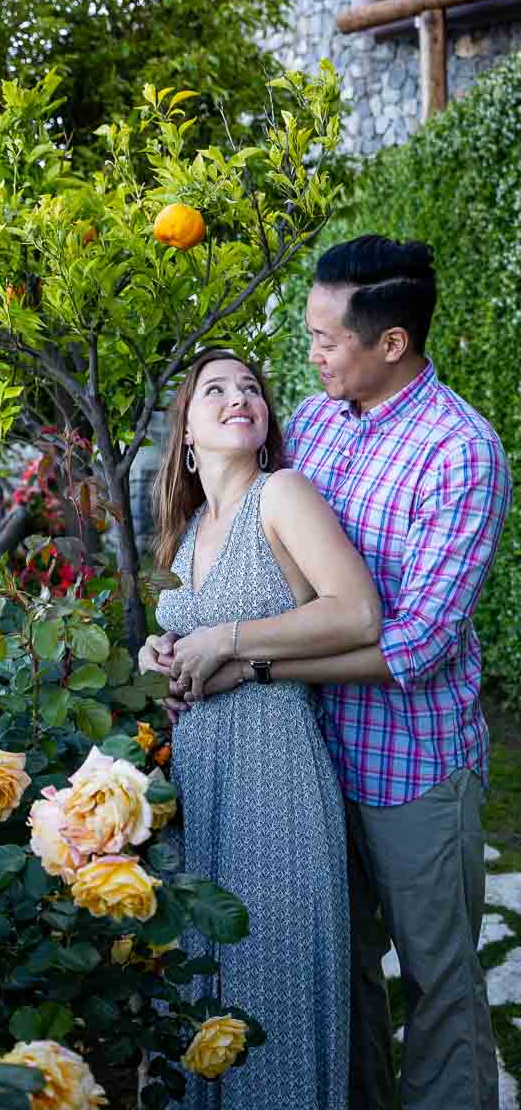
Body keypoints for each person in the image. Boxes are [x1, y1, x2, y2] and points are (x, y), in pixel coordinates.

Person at [144, 236, 512, 1110]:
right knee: (335, 985)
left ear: (391, 342)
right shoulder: (311, 421)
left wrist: (245, 658)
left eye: (325, 338)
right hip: (304, 765)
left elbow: (415, 642)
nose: (307, 355)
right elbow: (259, 553)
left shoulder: (460, 451)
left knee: (441, 990)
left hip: (409, 769)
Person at [140, 348, 382, 1110]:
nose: (238, 396)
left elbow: (356, 613)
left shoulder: (282, 493)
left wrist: (231, 642)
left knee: (269, 986)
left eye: (250, 388)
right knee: (201, 984)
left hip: (274, 774)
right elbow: (193, 638)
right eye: (215, 390)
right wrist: (164, 653)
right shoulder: (185, 534)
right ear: (185, 435)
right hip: (199, 779)